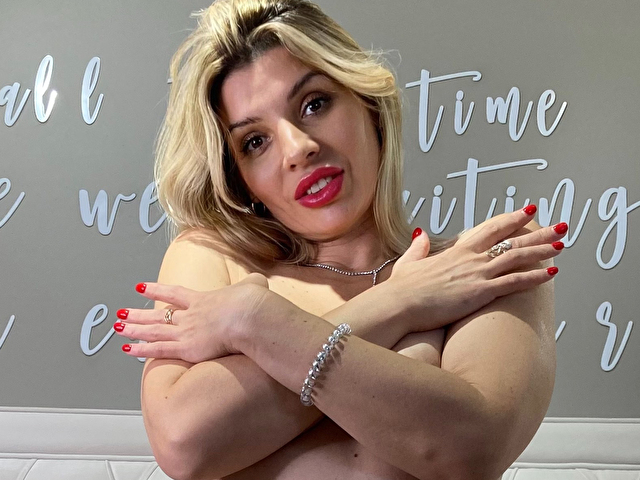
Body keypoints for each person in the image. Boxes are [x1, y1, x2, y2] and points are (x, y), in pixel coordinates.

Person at [114, 1, 565, 479]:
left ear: (369, 106)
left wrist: (255, 323)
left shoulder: (483, 262)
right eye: (255, 141)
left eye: (314, 104)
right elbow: (184, 444)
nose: (298, 149)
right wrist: (399, 302)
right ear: (242, 180)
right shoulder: (212, 256)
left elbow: (472, 450)